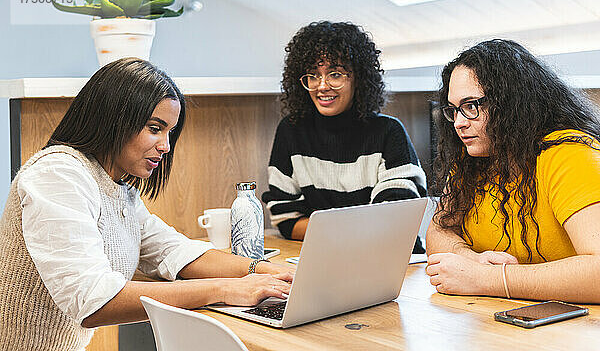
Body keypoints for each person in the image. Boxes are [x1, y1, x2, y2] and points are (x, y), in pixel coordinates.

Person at [0, 58, 293, 351]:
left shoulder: (118, 187)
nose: (165, 146)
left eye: (169, 132)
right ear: (112, 119)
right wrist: (226, 288)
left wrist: (262, 270)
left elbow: (173, 251)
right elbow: (94, 302)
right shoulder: (58, 175)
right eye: (155, 128)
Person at [425, 39, 600, 303]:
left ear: (510, 103)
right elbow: (438, 231)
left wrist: (484, 279)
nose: (459, 123)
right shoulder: (472, 159)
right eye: (454, 110)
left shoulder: (570, 154)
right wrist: (471, 259)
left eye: (471, 106)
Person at [262, 21, 427, 251]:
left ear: (358, 77)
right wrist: (351, 229)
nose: (322, 86)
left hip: (394, 262)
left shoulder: (388, 132)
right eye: (313, 75)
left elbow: (394, 219)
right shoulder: (291, 131)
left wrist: (325, 227)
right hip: (327, 258)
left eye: (335, 74)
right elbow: (286, 219)